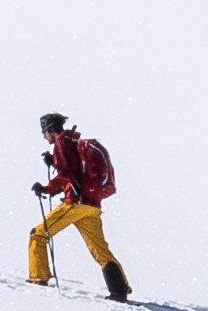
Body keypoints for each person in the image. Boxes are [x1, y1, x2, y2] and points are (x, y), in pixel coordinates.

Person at [27, 113, 131, 299]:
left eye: (44, 132)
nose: (44, 136)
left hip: (74, 205)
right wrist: (55, 163)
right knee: (100, 250)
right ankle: (119, 290)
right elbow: (74, 174)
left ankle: (38, 279)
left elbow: (68, 174)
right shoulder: (72, 141)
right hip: (91, 206)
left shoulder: (62, 143)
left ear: (50, 130)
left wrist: (46, 188)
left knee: (38, 234)